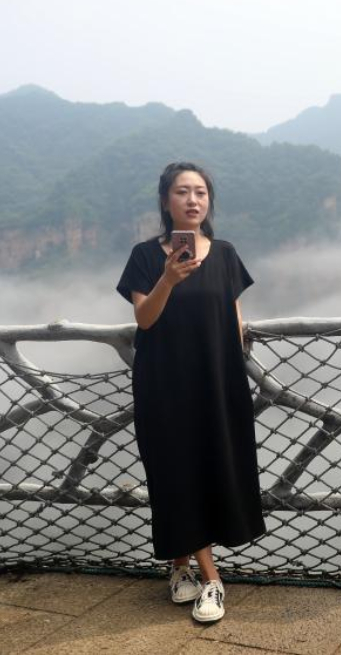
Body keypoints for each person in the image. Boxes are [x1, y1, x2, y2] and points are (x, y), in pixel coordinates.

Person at [116, 161, 266, 623]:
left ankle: (179, 567)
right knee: (175, 471)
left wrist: (236, 364)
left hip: (216, 381)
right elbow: (145, 320)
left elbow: (233, 314)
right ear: (166, 201)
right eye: (182, 192)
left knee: (209, 468)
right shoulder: (146, 256)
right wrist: (168, 279)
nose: (193, 200)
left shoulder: (224, 253)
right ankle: (213, 579)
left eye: (200, 192)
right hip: (165, 384)